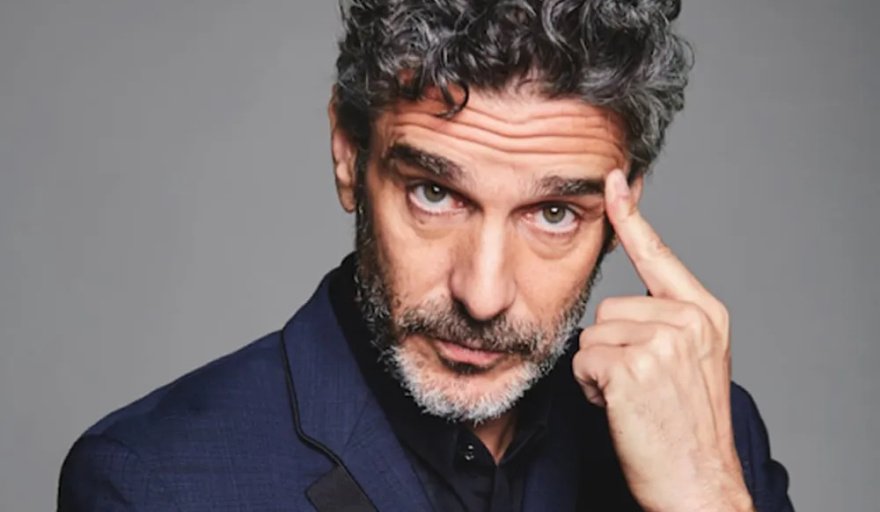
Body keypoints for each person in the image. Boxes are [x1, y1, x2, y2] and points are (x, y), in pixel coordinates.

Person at [57, 1, 794, 511]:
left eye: (554, 213)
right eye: (435, 194)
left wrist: (708, 498)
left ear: (624, 203)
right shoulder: (155, 482)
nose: (483, 294)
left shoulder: (711, 440)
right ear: (349, 155)